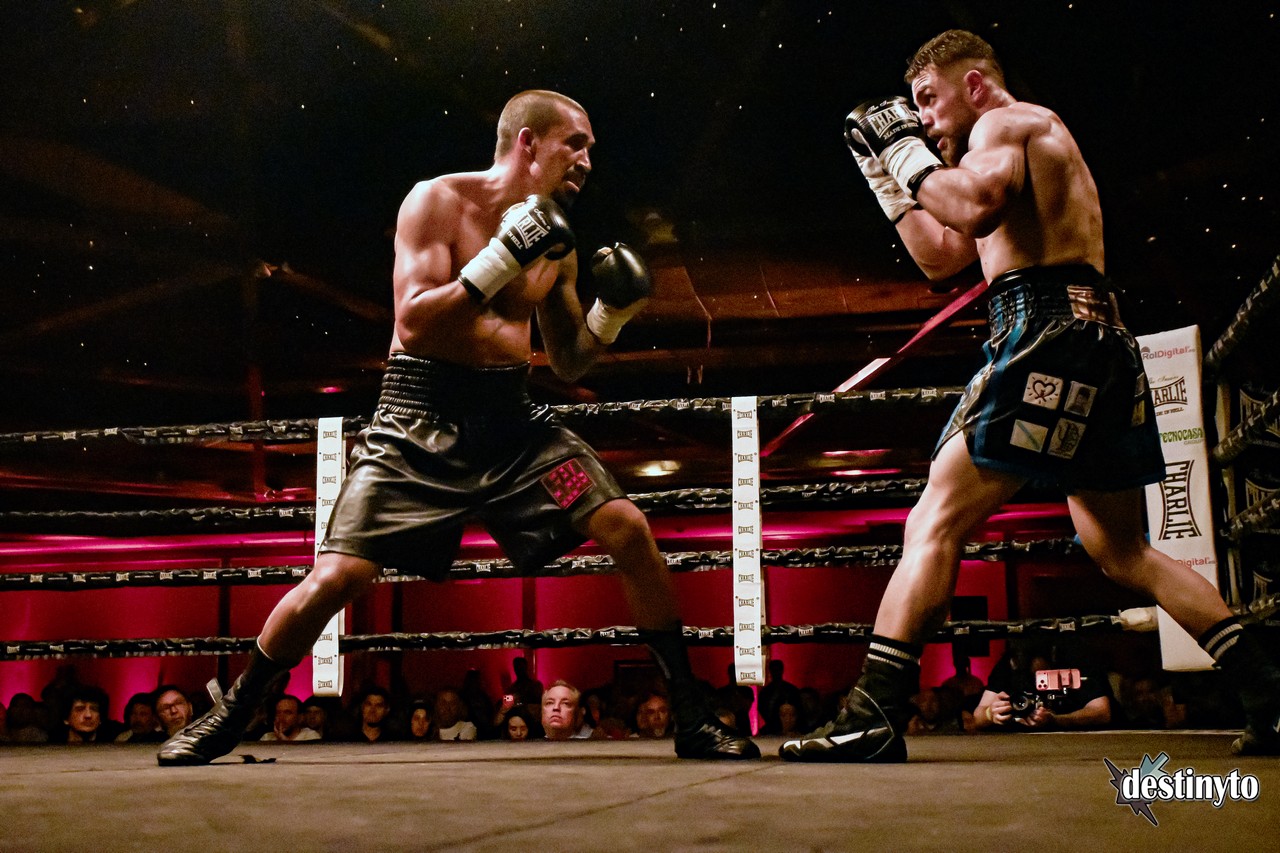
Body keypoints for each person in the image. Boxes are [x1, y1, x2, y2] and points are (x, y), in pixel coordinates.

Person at [158, 88, 755, 766]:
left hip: (513, 428)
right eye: (575, 143)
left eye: (591, 148)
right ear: (528, 143)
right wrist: (501, 256)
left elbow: (567, 357)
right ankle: (233, 712)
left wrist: (611, 314)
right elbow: (414, 322)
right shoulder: (437, 201)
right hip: (417, 422)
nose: (588, 160)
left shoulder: (558, 238)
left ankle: (691, 715)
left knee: (627, 527)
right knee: (339, 576)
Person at [782, 29, 1280, 762]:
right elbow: (943, 255)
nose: (923, 119)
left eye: (928, 99)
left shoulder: (1007, 123)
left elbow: (974, 207)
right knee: (1123, 549)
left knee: (933, 519)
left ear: (974, 84)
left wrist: (903, 149)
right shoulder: (1003, 150)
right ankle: (1270, 694)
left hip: (1045, 333)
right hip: (1096, 340)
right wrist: (888, 173)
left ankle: (873, 713)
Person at [972, 643, 1111, 732]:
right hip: (1019, 747)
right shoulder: (1007, 665)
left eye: (1042, 676)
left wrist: (1055, 720)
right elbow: (978, 716)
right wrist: (991, 713)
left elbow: (1102, 712)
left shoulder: (1076, 658)